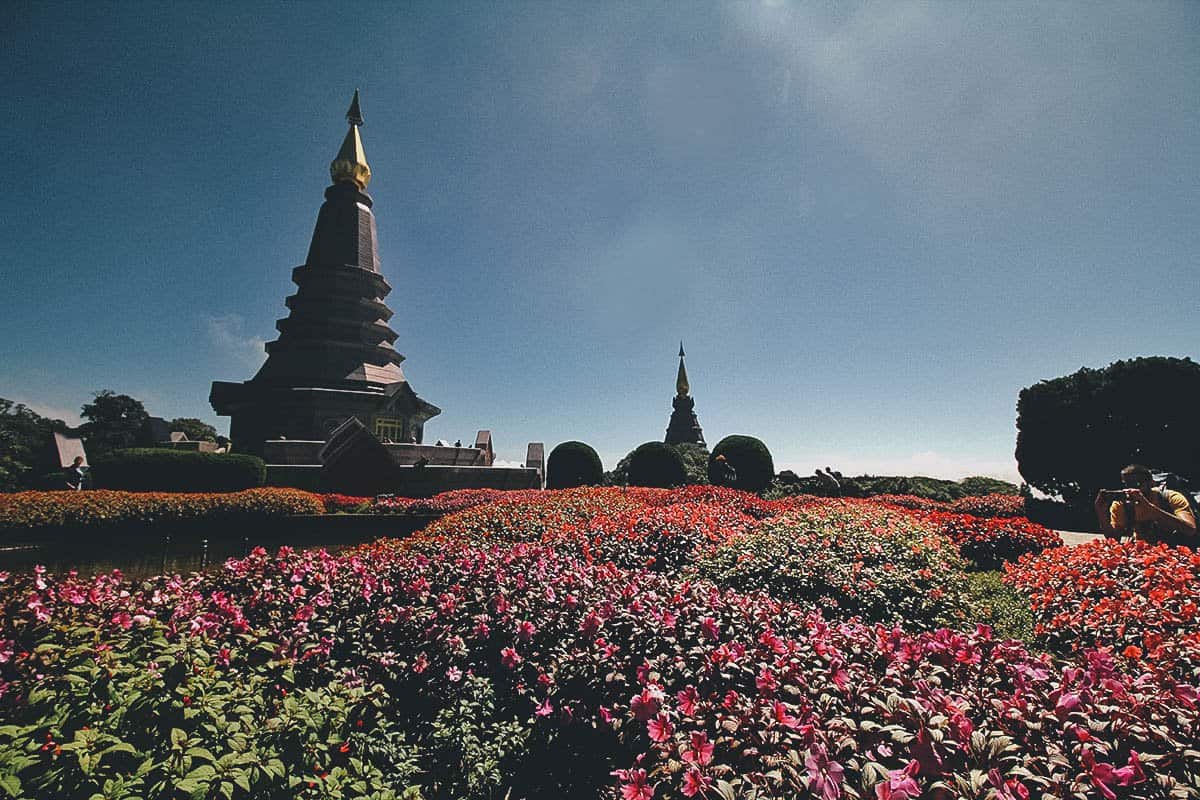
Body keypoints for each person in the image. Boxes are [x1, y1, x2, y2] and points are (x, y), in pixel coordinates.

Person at [1094, 464, 1196, 545]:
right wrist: (1101, 512)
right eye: (1127, 484)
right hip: (1143, 552)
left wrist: (1151, 509)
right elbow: (1114, 539)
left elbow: (1190, 529)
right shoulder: (1122, 504)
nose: (1131, 488)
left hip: (1175, 549)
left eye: (1137, 484)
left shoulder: (1170, 497)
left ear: (1151, 483)